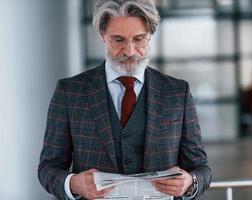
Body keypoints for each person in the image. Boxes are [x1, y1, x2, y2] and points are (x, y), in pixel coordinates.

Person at [38, 0, 211, 199]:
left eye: (139, 39)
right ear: (103, 36)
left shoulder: (177, 92)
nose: (129, 51)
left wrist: (190, 182)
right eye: (118, 40)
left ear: (150, 35)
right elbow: (48, 167)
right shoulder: (70, 92)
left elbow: (200, 168)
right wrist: (73, 184)